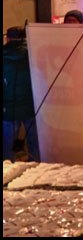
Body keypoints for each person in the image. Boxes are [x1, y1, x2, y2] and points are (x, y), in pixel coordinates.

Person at [3, 27, 39, 162]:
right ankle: (37, 171)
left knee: (8, 145)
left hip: (9, 107)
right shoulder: (34, 52)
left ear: (8, 38)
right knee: (34, 143)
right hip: (32, 105)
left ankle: (7, 173)